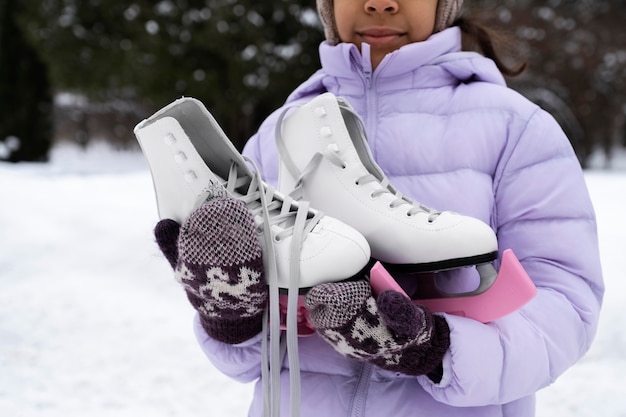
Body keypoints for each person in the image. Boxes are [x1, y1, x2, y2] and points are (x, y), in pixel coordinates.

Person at [153, 0, 604, 416]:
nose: (380, 2)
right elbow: (250, 362)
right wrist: (229, 316)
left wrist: (436, 350)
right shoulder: (278, 136)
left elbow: (565, 305)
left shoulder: (515, 128)